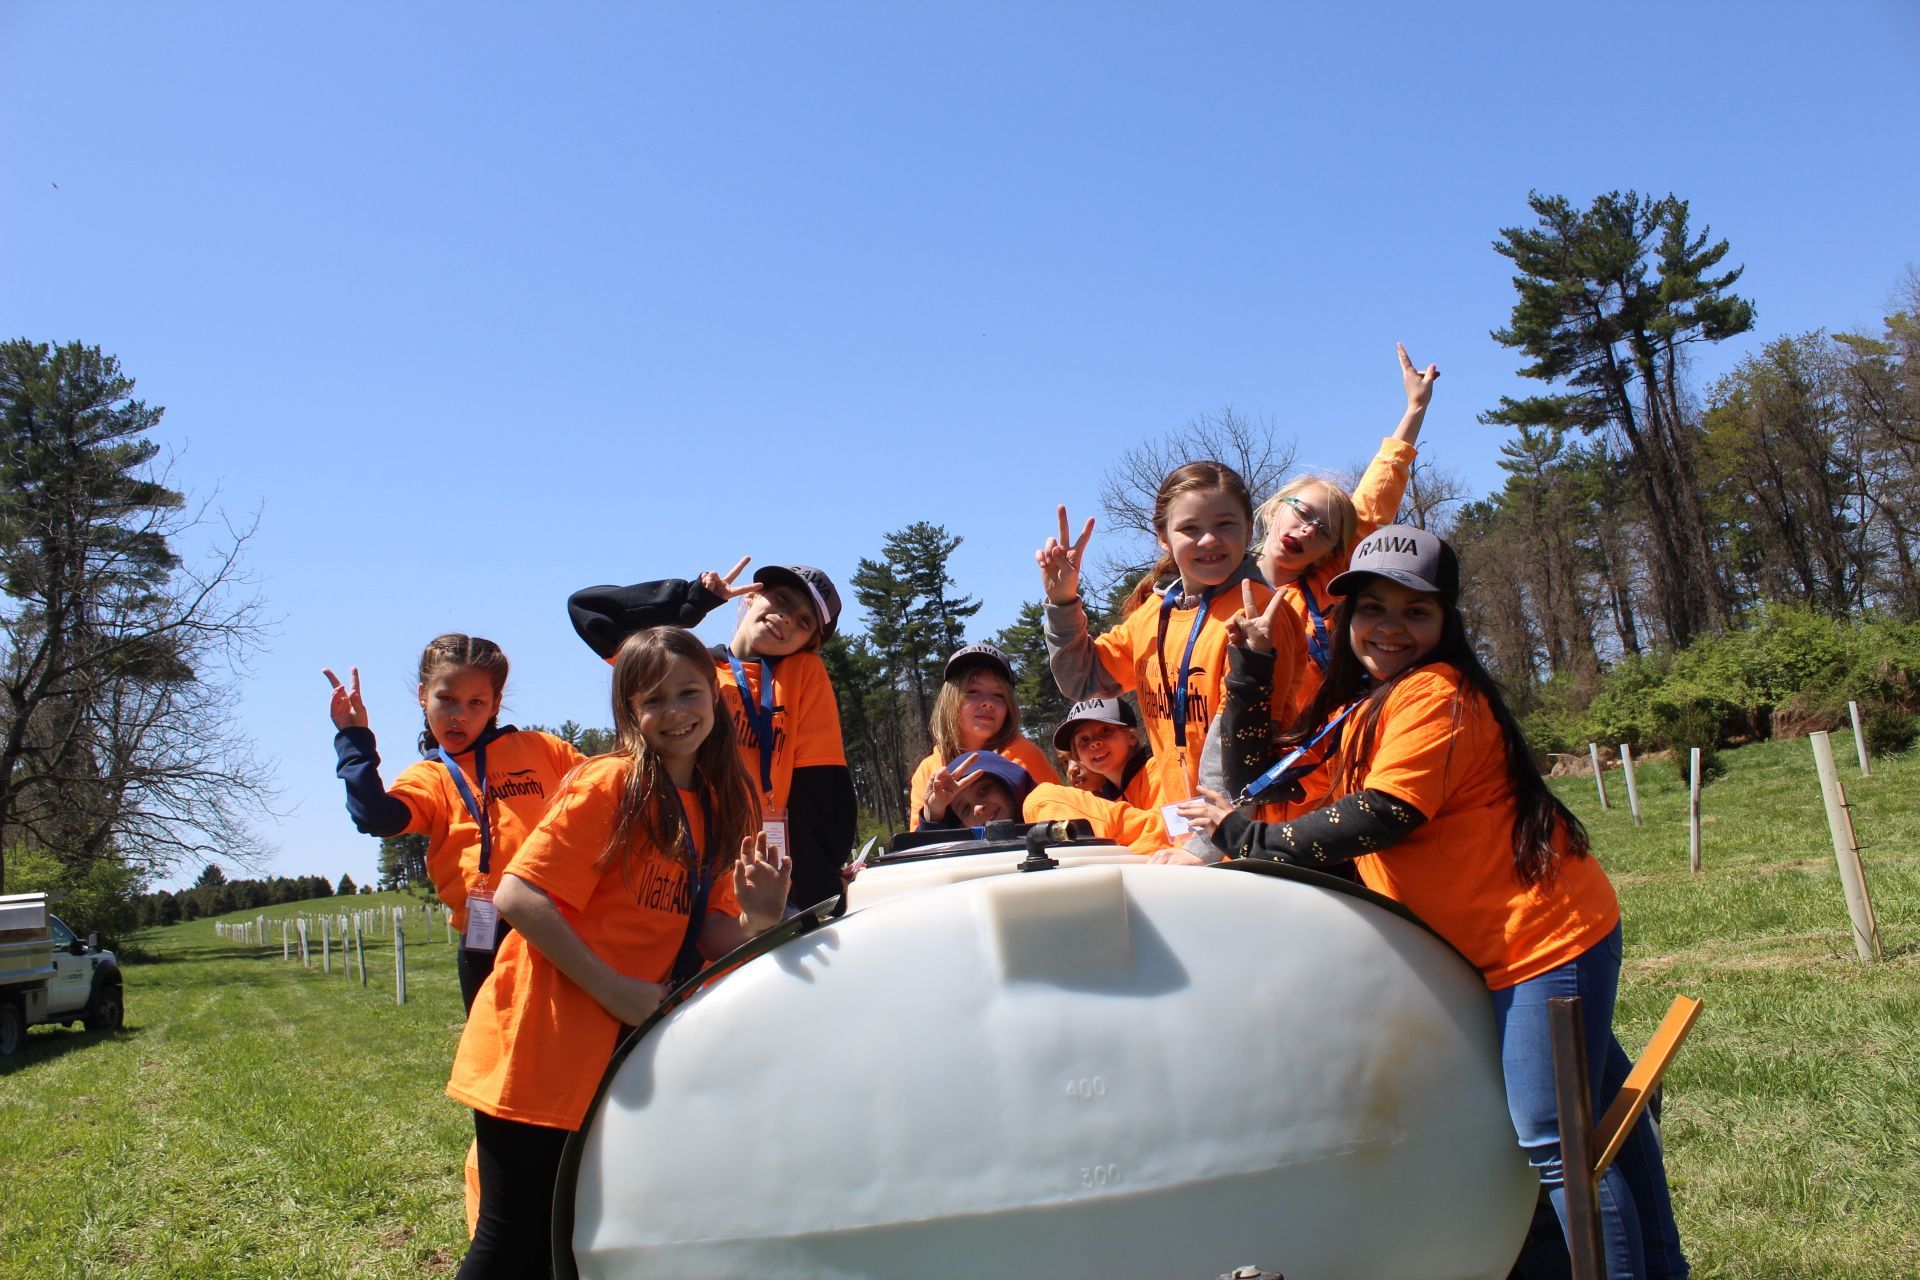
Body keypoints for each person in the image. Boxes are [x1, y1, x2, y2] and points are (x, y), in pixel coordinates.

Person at [1178, 525, 1686, 1280]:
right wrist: (1252, 667)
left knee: (1558, 1140)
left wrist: (1247, 838)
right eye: (1371, 608)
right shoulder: (1363, 705)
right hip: (1503, 945)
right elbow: (1265, 777)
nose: (1390, 627)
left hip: (1540, 942)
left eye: (1416, 611)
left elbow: (1386, 812)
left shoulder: (1437, 693)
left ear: (1447, 620)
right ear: (1347, 620)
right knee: (1609, 1124)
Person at [446, 627, 792, 1280]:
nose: (676, 712)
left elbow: (707, 933)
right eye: (653, 699)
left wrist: (763, 919)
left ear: (715, 699)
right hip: (539, 1043)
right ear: (629, 711)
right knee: (513, 1242)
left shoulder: (719, 802)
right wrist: (612, 988)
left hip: (612, 1055)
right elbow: (520, 895)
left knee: (580, 1240)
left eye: (690, 692)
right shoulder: (610, 784)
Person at [566, 557, 855, 911]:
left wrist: (821, 889)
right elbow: (591, 611)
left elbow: (818, 790)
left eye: (804, 621)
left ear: (810, 642)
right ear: (750, 596)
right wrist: (691, 602)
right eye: (780, 600)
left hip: (757, 877)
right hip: (672, 859)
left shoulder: (800, 680)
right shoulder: (686, 671)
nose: (786, 618)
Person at [326, 634, 585, 1011]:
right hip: (486, 940)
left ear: (495, 703)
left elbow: (608, 791)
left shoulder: (544, 750)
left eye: (475, 702)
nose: (459, 714)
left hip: (564, 928)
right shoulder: (430, 778)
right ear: (422, 696)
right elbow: (375, 817)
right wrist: (354, 738)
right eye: (446, 699)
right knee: (494, 1060)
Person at [1037, 461, 1296, 813]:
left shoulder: (1261, 613)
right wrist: (1063, 601)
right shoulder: (1153, 615)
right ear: (1163, 537)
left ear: (1249, 529)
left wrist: (1204, 846)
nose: (1209, 539)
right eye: (1190, 528)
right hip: (1185, 830)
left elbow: (1245, 742)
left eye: (1225, 524)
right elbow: (1081, 680)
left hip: (1249, 834)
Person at [907, 643, 1058, 828]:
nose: (988, 703)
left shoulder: (1024, 756)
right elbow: (919, 849)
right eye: (973, 692)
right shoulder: (929, 769)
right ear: (950, 700)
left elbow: (1052, 831)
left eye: (998, 695)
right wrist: (933, 814)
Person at [1051, 697, 1154, 807]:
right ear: (1078, 756)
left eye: (1105, 730)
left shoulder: (1157, 771)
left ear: (1132, 737)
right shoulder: (1108, 798)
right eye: (1084, 739)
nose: (1094, 743)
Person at [917, 750, 1037, 829]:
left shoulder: (1044, 804)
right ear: (962, 825)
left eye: (983, 790)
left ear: (1008, 786)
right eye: (965, 809)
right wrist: (934, 815)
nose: (978, 809)